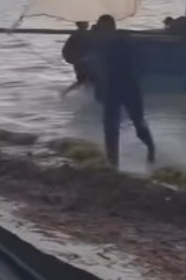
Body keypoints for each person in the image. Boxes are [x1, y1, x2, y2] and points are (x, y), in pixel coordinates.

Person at [91, 15, 156, 168]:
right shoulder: (102, 44)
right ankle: (112, 162)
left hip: (130, 87)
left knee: (139, 124)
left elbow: (138, 62)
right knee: (110, 126)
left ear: (111, 28)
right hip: (113, 88)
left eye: (104, 29)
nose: (103, 33)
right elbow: (99, 65)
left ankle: (151, 150)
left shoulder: (123, 42)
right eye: (101, 30)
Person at [61, 21, 93, 96]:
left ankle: (66, 93)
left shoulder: (78, 34)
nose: (87, 24)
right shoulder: (79, 34)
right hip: (80, 61)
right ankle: (66, 93)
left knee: (84, 80)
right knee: (84, 80)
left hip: (80, 60)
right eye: (85, 22)